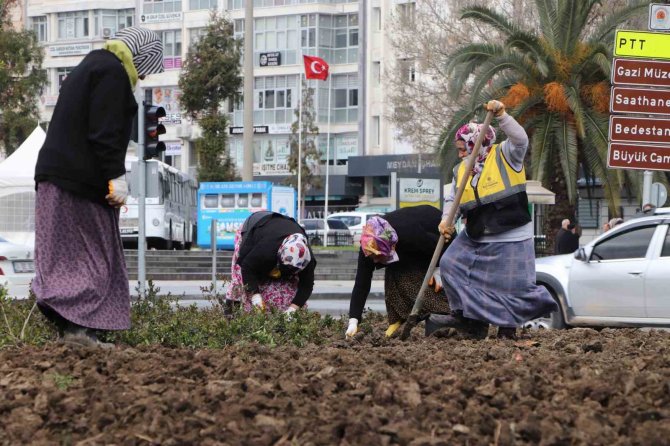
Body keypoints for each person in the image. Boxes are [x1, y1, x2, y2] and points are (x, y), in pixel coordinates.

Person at [33, 27, 164, 347]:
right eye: (146, 69)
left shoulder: (87, 66)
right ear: (139, 57)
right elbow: (104, 134)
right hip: (81, 185)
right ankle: (81, 332)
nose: (143, 78)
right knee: (94, 258)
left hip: (54, 180)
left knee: (63, 258)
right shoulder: (112, 74)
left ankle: (72, 328)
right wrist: (116, 179)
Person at [429, 100, 558, 340]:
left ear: (476, 143)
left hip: (511, 234)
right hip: (476, 234)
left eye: (462, 148)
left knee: (510, 288)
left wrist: (503, 116)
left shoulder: (505, 154)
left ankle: (506, 329)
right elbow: (453, 199)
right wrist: (446, 220)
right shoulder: (461, 170)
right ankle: (467, 317)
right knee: (450, 264)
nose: (459, 154)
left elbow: (521, 140)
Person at [345, 205, 452, 338]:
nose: (376, 261)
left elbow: (445, 242)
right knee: (393, 276)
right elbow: (361, 283)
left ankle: (447, 311)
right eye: (374, 258)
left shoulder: (410, 233)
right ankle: (399, 317)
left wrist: (438, 267)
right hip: (411, 248)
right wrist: (353, 321)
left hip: (439, 236)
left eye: (379, 257)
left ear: (392, 246)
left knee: (428, 283)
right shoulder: (368, 246)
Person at [224, 211, 316, 314]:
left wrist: (292, 309)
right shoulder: (267, 248)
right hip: (255, 228)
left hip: (278, 229)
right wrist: (256, 297)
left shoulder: (308, 258)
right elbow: (246, 267)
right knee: (240, 280)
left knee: (286, 287)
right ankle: (230, 317)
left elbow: (307, 285)